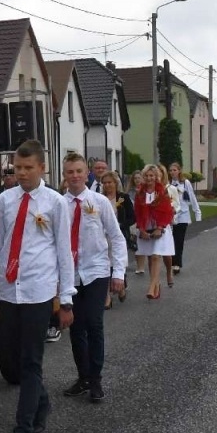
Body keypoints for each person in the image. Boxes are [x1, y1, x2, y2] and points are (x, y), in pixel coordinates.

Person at [0, 140, 74, 433]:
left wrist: (66, 299)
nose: (21, 173)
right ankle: (42, 403)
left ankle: (23, 431)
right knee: (15, 356)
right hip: (9, 290)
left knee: (31, 361)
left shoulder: (55, 202)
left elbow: (64, 252)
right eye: (17, 168)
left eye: (27, 168)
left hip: (38, 291)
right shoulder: (6, 200)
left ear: (41, 168)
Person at [60, 153, 127, 402]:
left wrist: (118, 272)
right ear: (64, 175)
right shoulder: (58, 205)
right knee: (76, 327)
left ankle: (96, 379)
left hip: (97, 271)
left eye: (79, 171)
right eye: (70, 172)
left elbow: (116, 237)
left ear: (86, 174)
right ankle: (83, 376)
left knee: (94, 323)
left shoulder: (99, 202)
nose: (75, 176)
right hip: (71, 274)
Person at [132, 165, 176, 300]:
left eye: (151, 175)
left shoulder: (162, 191)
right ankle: (156, 286)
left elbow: (167, 212)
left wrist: (160, 227)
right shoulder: (140, 193)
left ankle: (152, 286)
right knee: (151, 257)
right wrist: (141, 229)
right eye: (146, 175)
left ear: (156, 177)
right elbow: (137, 213)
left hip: (161, 227)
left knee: (157, 255)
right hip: (146, 228)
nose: (149, 178)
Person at [101, 170, 133, 306]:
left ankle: (121, 286)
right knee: (105, 264)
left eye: (110, 182)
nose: (107, 185)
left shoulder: (123, 198)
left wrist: (121, 225)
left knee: (118, 261)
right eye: (105, 183)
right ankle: (107, 296)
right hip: (103, 236)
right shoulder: (100, 199)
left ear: (115, 183)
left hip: (119, 234)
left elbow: (132, 217)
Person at [167, 162, 202, 275]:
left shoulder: (185, 183)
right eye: (171, 170)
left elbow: (192, 197)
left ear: (179, 171)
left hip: (183, 215)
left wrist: (197, 213)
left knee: (179, 240)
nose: (172, 172)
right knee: (171, 240)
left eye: (174, 170)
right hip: (171, 215)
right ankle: (172, 262)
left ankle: (177, 263)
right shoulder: (168, 184)